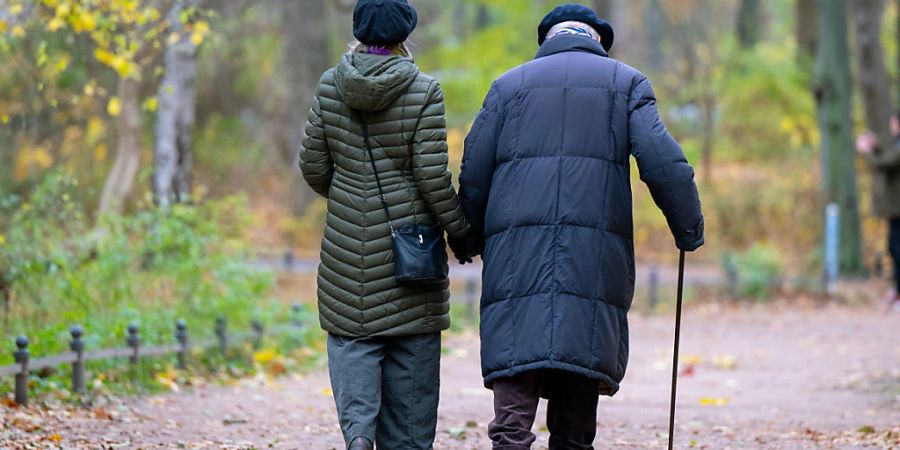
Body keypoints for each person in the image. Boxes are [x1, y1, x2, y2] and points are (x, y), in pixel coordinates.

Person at [449, 4, 705, 449]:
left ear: (546, 40)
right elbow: (664, 164)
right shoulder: (626, 83)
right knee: (577, 384)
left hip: (516, 259)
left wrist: (467, 236)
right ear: (598, 41)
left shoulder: (508, 87)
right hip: (593, 260)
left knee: (515, 375)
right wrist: (687, 227)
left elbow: (474, 169)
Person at [298, 1, 470, 448]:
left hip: (346, 253)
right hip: (409, 256)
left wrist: (350, 200)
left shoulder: (330, 85)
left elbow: (313, 166)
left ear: (358, 32)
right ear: (404, 37)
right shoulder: (424, 89)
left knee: (353, 339)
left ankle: (358, 435)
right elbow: (433, 178)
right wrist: (461, 230)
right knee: (411, 352)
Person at [856, 113, 900, 310]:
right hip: (895, 209)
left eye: (893, 123)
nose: (891, 127)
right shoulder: (896, 144)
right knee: (894, 247)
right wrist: (875, 148)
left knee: (897, 248)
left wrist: (868, 151)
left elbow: (885, 163)